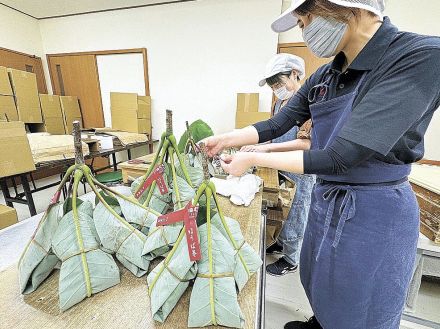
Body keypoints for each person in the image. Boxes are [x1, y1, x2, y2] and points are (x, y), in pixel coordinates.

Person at [203, 0, 440, 328]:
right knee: (321, 278)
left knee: (361, 297)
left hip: (374, 209)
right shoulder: (326, 75)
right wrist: (227, 139)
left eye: (306, 19)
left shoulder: (419, 55)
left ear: (349, 7)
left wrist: (255, 157)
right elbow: (278, 122)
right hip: (328, 196)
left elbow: (341, 156)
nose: (304, 30)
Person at [241, 53, 316, 276]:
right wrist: (259, 145)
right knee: (281, 208)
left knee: (296, 212)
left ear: (295, 74)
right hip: (281, 166)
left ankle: (292, 258)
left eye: (278, 82)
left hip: (300, 169)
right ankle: (281, 243)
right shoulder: (279, 102)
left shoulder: (309, 103)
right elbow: (276, 133)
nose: (276, 88)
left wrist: (266, 150)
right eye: (272, 85)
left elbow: (305, 144)